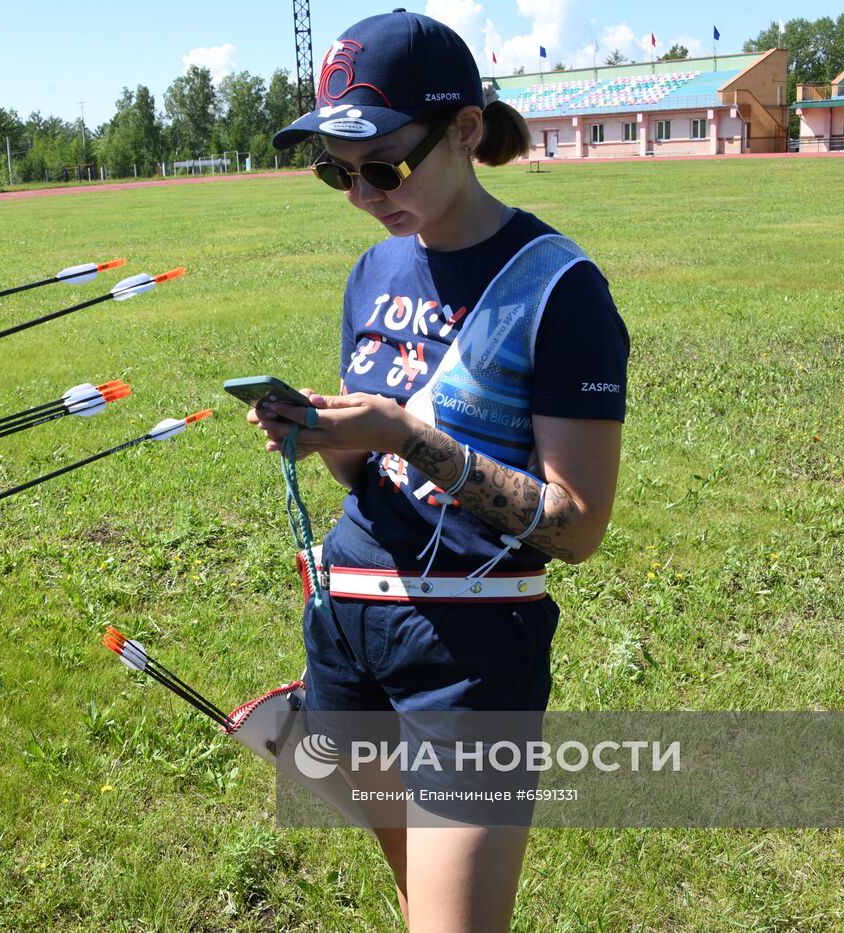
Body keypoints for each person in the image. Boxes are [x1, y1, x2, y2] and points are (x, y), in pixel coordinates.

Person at [247, 10, 629, 931]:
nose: (362, 192)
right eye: (335, 171)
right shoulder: (374, 269)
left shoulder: (560, 290)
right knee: (422, 893)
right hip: (349, 630)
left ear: (464, 128)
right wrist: (327, 434)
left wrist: (405, 433)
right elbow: (363, 474)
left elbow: (575, 528)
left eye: (383, 164)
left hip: (469, 652)